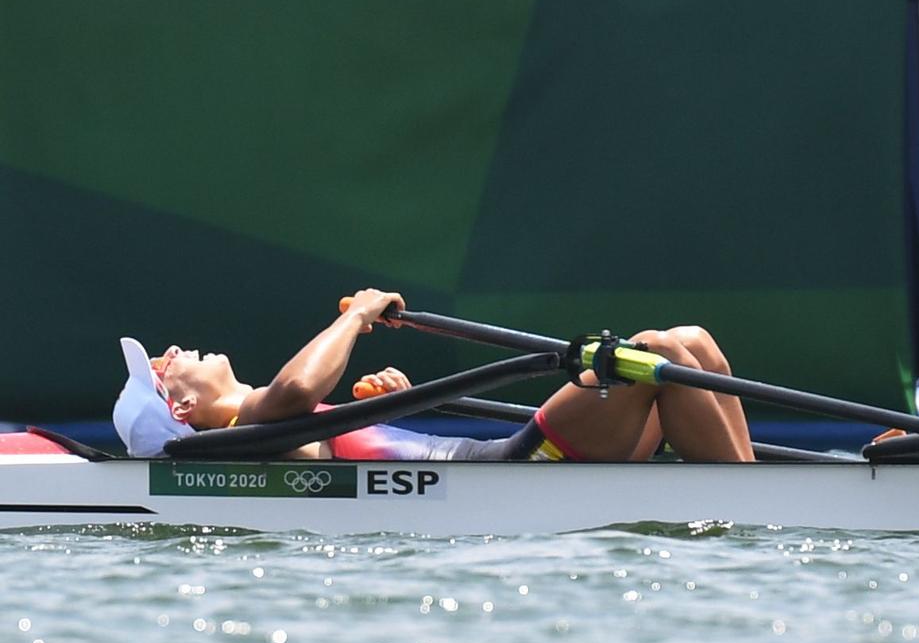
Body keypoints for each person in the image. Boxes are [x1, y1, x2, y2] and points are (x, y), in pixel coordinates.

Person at [112, 288, 754, 462]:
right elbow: (297, 391)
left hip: (513, 456)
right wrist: (358, 315)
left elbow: (319, 418)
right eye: (163, 373)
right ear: (183, 412)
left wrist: (394, 406)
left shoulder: (269, 425)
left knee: (686, 342)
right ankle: (763, 507)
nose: (171, 353)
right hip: (522, 465)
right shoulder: (240, 426)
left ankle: (756, 486)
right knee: (650, 351)